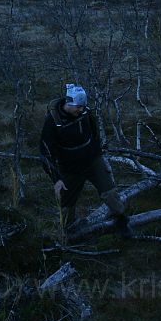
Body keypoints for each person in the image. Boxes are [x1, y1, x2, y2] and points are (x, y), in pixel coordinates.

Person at [40, 83, 132, 239]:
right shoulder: (52, 121)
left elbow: (94, 134)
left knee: (110, 193)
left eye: (83, 107)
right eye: (77, 107)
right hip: (69, 168)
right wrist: (56, 179)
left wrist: (97, 155)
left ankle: (122, 221)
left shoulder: (86, 113)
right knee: (66, 203)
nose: (80, 110)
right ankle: (69, 231)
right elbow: (45, 152)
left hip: (93, 162)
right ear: (68, 103)